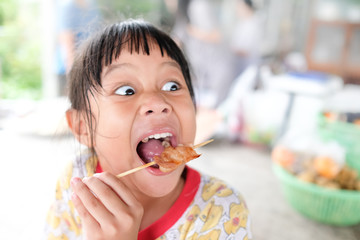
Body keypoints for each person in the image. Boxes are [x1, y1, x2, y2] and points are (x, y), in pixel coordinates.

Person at [44, 19, 252, 239]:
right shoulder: (77, 182)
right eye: (126, 90)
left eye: (172, 86)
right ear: (82, 127)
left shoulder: (222, 211)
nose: (157, 102)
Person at [55, 0, 101, 96]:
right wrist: (73, 75)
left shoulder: (92, 4)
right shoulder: (67, 6)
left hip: (88, 67)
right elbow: (66, 40)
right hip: (70, 68)